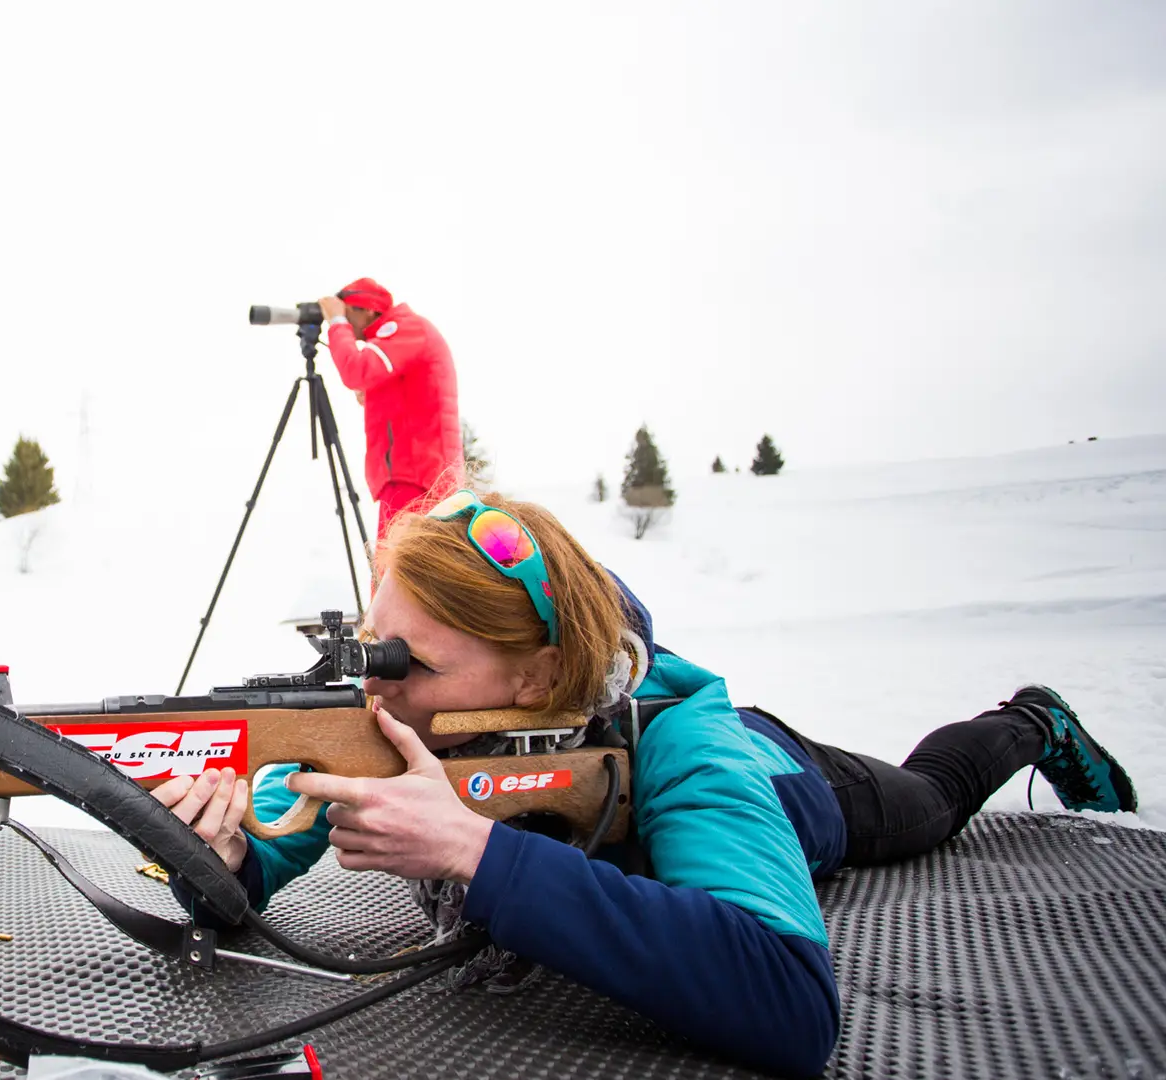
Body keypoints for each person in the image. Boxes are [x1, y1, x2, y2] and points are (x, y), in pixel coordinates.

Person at [155, 489, 1138, 1077]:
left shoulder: (681, 741)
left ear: (535, 676)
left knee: (928, 799)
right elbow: (272, 847)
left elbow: (792, 1005)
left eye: (408, 663)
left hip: (790, 782)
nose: (376, 687)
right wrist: (224, 855)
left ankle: (1028, 722)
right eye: (375, 647)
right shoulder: (407, 714)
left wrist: (474, 851)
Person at [316, 278, 462, 538]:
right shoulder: (407, 334)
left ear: (368, 309)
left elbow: (356, 372)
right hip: (418, 474)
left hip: (416, 477)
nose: (346, 323)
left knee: (397, 570)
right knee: (399, 570)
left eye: (347, 313)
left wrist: (336, 324)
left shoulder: (407, 328)